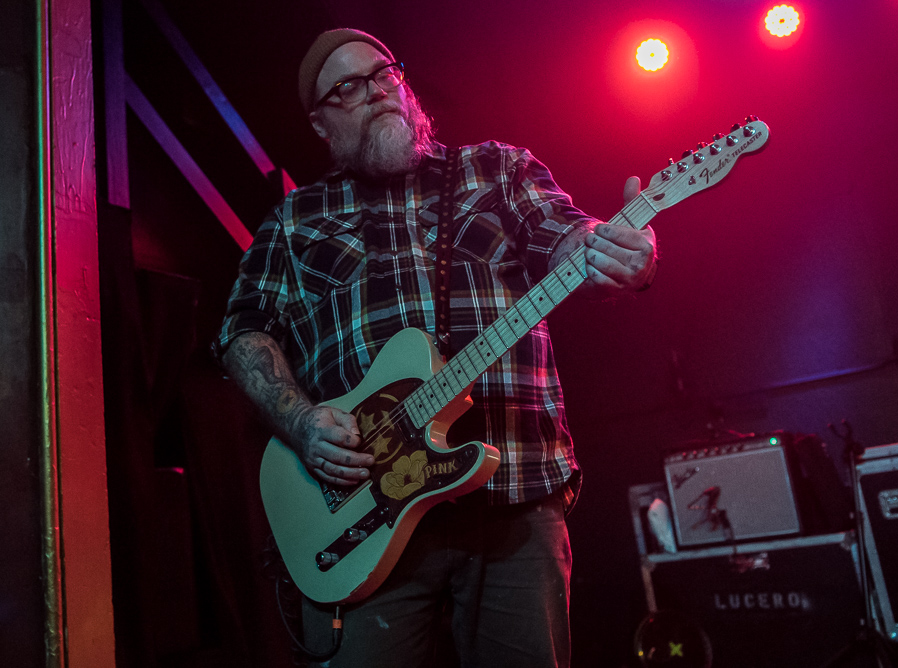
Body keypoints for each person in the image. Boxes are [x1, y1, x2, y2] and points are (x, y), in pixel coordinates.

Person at [213, 28, 657, 668]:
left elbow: (565, 239)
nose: (378, 91)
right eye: (350, 86)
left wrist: (610, 253)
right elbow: (240, 332)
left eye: (384, 72)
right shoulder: (294, 220)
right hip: (363, 517)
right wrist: (302, 422)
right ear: (320, 122)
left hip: (513, 495)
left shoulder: (496, 169)